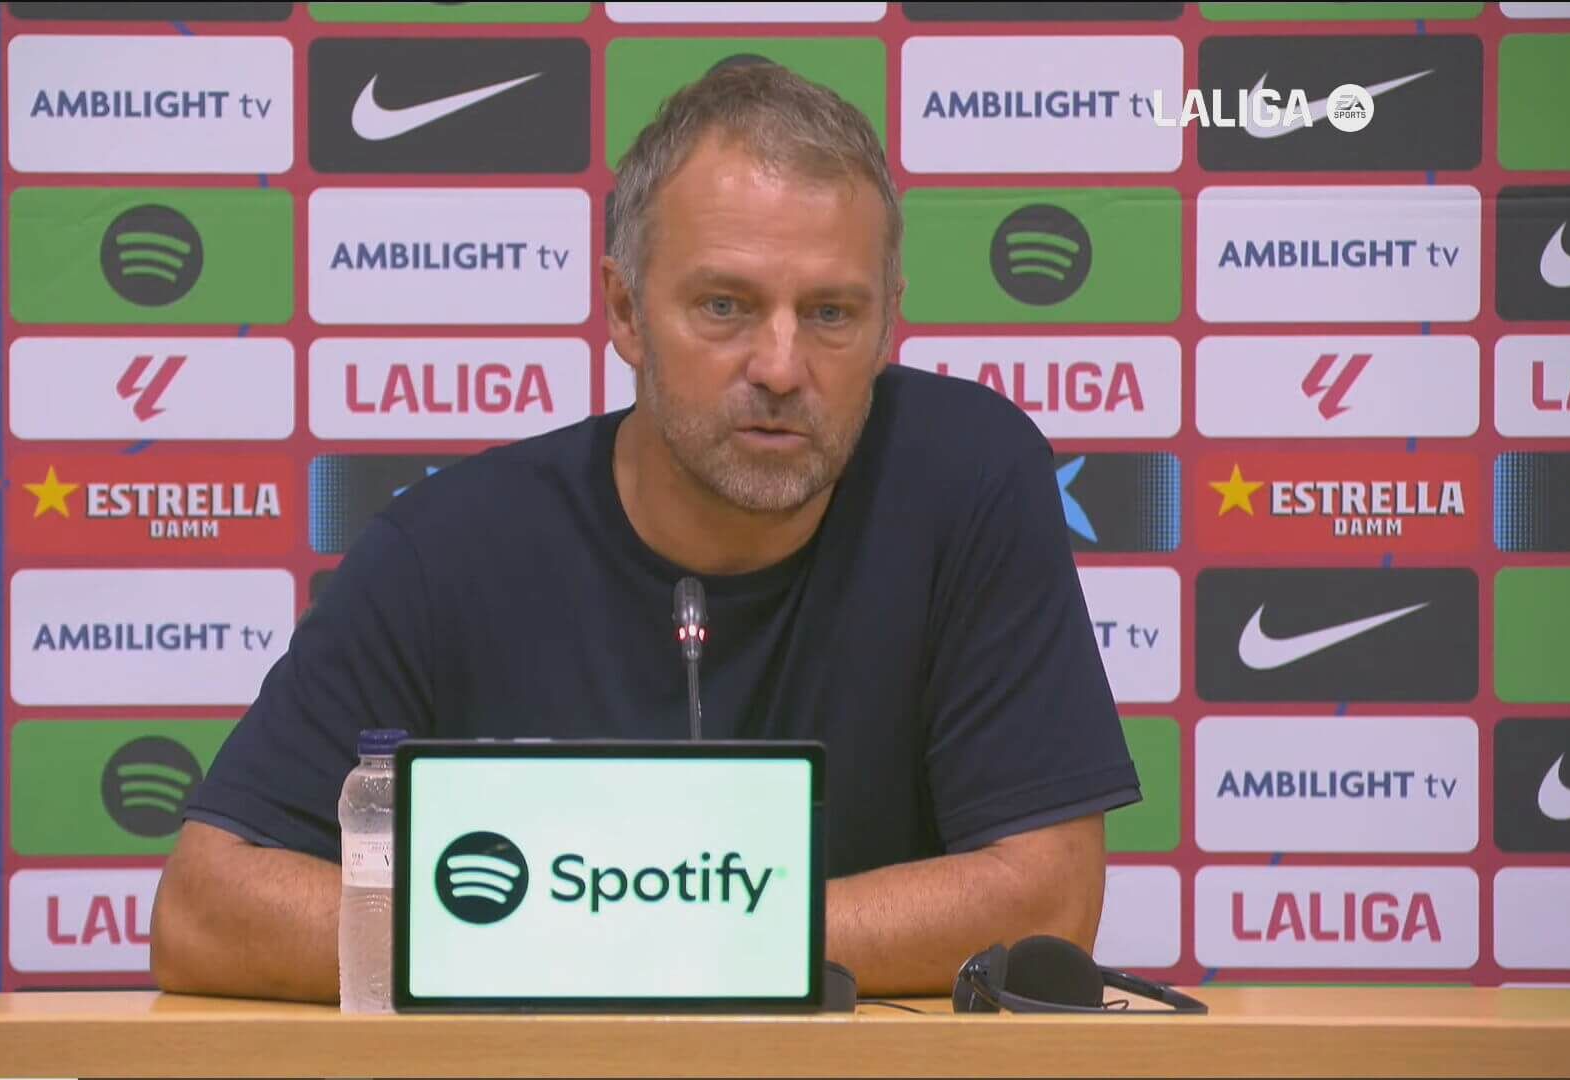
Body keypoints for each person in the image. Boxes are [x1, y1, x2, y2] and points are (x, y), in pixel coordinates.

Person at [151, 61, 1139, 1003]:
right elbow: (207, 911)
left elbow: (1045, 899)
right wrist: (668, 937)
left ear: (888, 330)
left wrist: (600, 933)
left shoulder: (968, 475)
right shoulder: (451, 546)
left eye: (833, 314)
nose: (784, 366)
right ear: (625, 311)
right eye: (725, 306)